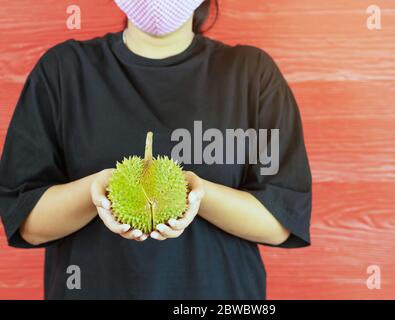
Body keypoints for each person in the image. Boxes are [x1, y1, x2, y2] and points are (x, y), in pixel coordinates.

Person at [0, 0, 312, 299]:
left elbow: (280, 221)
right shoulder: (63, 70)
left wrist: (196, 192)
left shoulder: (252, 74)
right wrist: (95, 191)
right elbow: (25, 221)